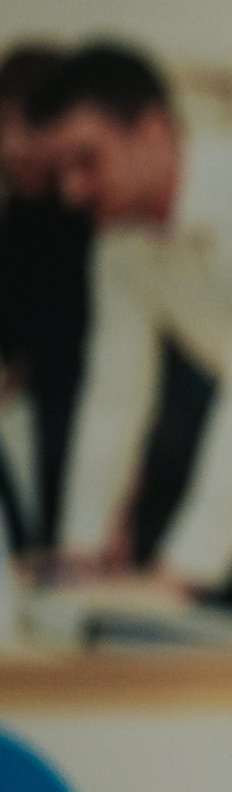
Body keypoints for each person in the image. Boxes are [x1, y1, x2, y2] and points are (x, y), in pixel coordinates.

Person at [26, 41, 232, 605]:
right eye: (59, 172)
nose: (72, 191)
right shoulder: (119, 244)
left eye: (86, 161)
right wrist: (82, 549)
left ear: (151, 130)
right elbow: (115, 395)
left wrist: (181, 571)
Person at [0, 42, 97, 557]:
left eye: (28, 127)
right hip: (39, 412)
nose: (12, 146)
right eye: (2, 126)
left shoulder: (94, 212)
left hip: (101, 410)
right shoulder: (17, 212)